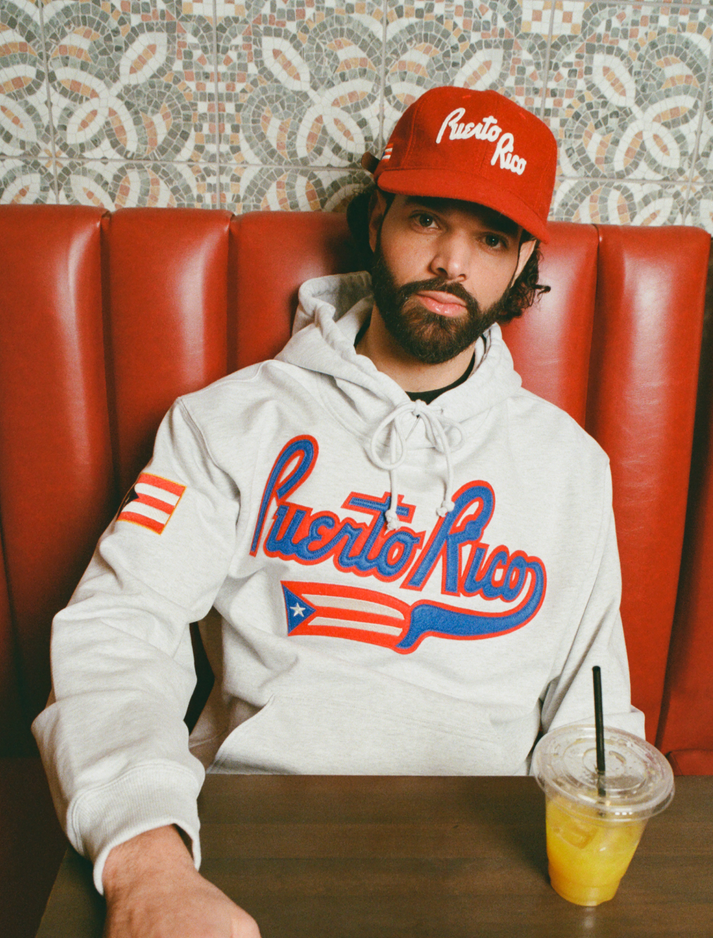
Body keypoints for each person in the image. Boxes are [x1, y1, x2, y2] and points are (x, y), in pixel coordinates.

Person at [33, 86, 644, 937]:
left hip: (491, 850)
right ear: (376, 219)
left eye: (490, 238)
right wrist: (145, 865)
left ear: (522, 264)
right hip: (256, 834)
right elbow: (118, 630)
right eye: (427, 219)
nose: (452, 264)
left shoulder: (570, 467)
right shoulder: (227, 423)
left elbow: (596, 712)